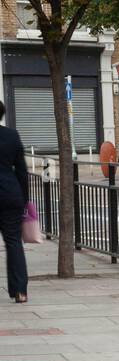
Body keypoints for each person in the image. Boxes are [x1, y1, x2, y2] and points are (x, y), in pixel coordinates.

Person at [0, 101, 30, 303]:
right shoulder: (12, 135)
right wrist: (25, 199)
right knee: (13, 243)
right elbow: (21, 170)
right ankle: (20, 291)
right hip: (10, 195)